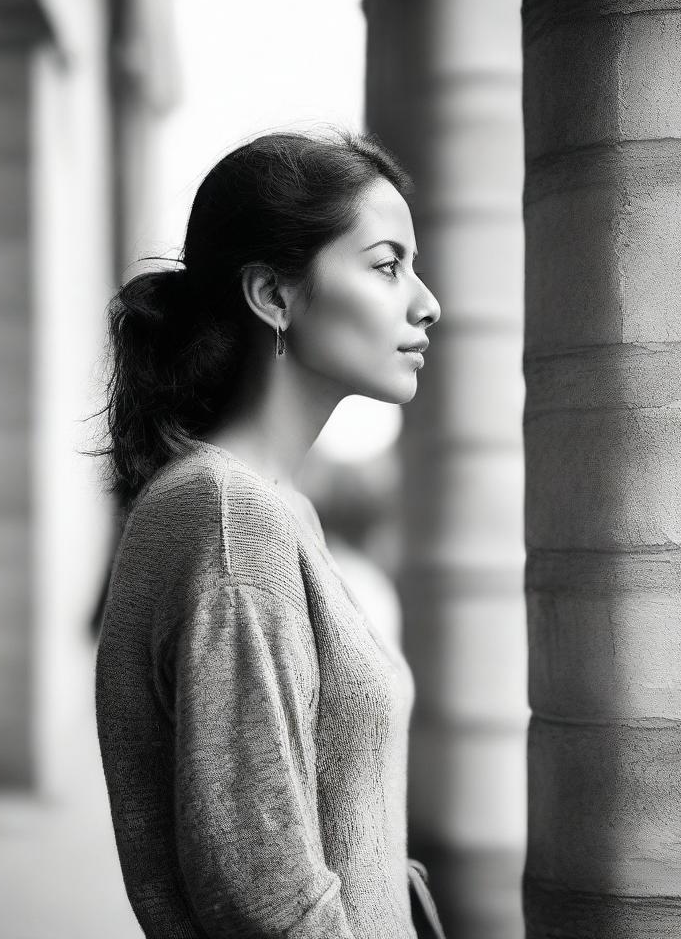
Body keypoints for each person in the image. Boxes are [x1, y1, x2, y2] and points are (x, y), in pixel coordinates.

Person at [94, 129, 444, 938]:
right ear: (274, 296)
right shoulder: (225, 516)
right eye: (388, 264)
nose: (426, 302)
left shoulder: (271, 508)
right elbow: (263, 896)